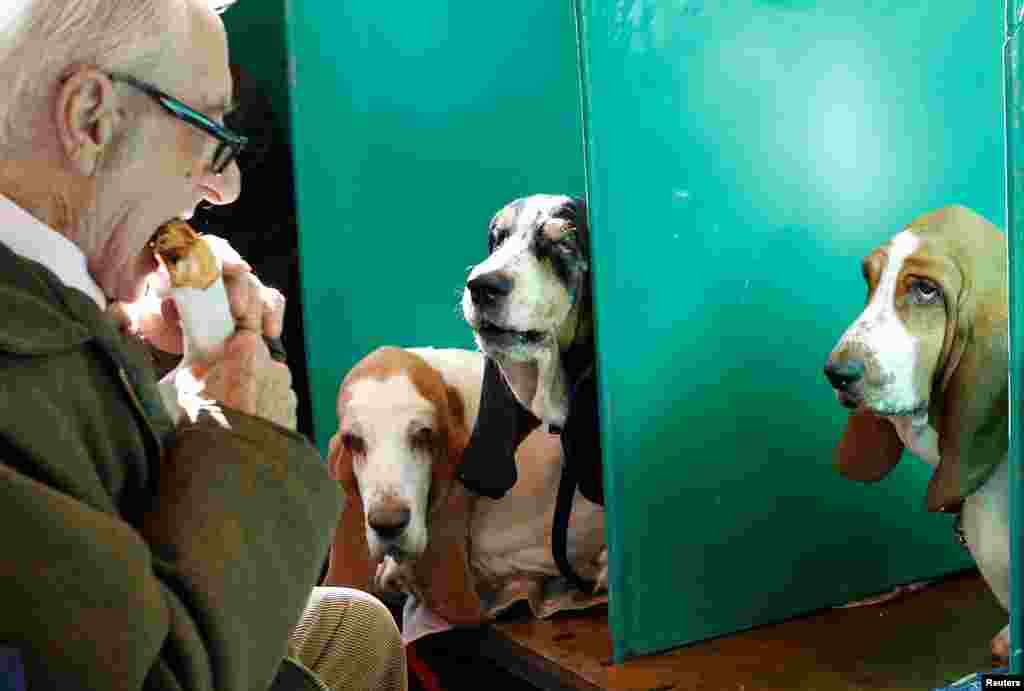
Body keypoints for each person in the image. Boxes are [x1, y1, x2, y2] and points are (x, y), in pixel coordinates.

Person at [0, 1, 406, 689]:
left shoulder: (44, 296)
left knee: (353, 626)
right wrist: (238, 432)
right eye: (206, 130)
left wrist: (145, 349)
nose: (221, 186)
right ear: (90, 118)